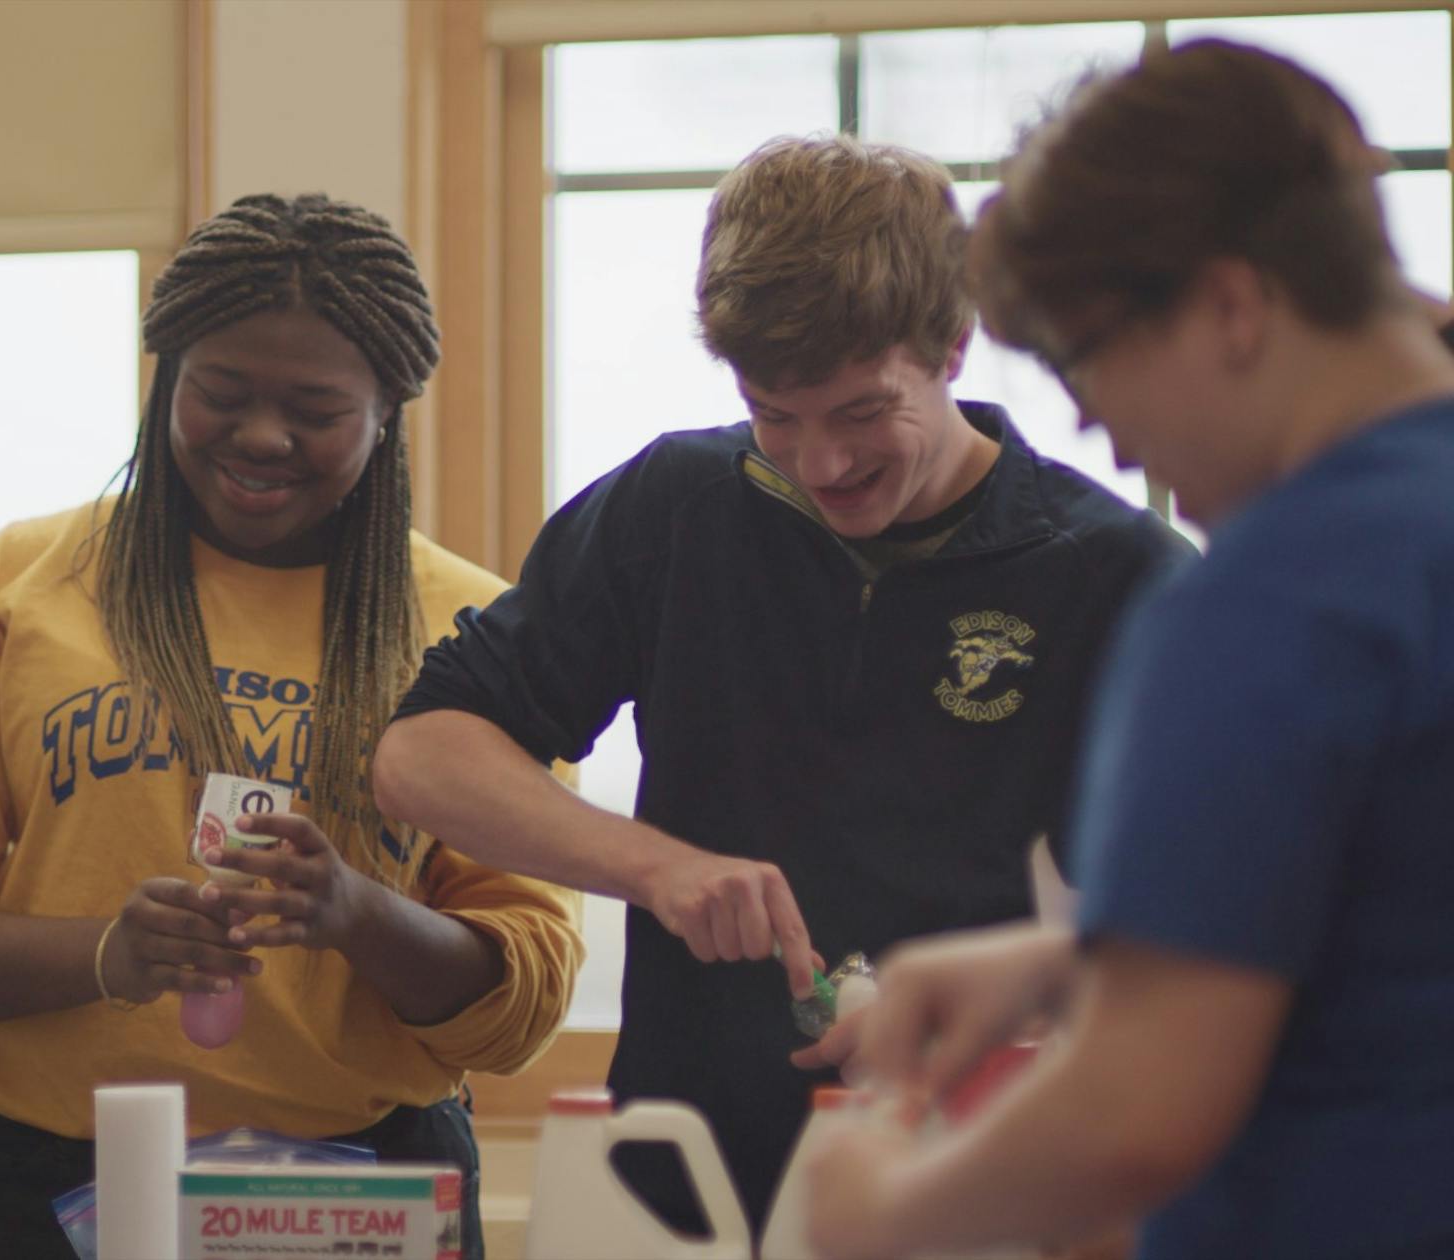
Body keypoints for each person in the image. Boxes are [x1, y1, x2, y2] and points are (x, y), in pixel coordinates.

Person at [371, 134, 1194, 1231]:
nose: (821, 466)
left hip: (964, 1186)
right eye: (774, 414)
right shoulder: (676, 508)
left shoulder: (1108, 571)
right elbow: (422, 753)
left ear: (951, 348)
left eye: (863, 413)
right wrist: (658, 869)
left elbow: (1194, 939)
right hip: (677, 1184)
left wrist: (1007, 1011)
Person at [0, 193, 582, 1260]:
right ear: (165, 376)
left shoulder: (471, 631)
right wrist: (107, 953)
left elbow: (524, 998)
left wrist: (354, 913)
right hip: (41, 1180)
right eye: (220, 393)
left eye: (316, 410)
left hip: (369, 1181)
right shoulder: (7, 590)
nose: (261, 437)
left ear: (385, 412)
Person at [804, 41, 1454, 1260]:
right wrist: (1085, 957)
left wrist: (879, 1214)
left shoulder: (1278, 596)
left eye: (1090, 362)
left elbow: (1136, 1115)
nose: (1105, 441)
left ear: (1230, 304)